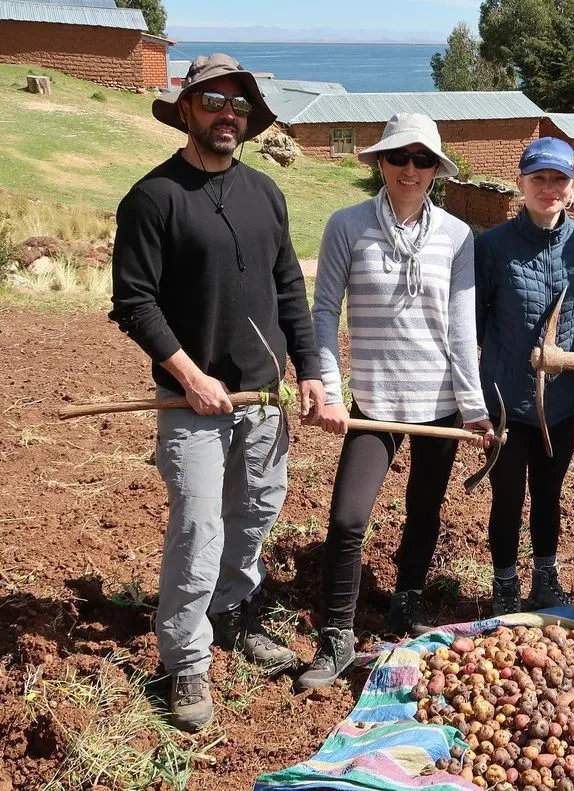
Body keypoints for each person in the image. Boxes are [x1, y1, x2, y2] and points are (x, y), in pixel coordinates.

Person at [109, 54, 326, 731]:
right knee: (199, 523)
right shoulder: (153, 198)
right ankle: (185, 658)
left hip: (263, 401)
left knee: (257, 512)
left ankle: (233, 611)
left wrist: (311, 370)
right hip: (194, 404)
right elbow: (134, 302)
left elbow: (290, 288)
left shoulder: (266, 194)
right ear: (185, 111)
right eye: (212, 102)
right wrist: (190, 374)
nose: (227, 114)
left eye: (237, 104)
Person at [299, 114, 493, 689]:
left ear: (437, 169)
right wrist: (330, 390)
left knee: (424, 510)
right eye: (399, 158)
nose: (411, 170)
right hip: (373, 401)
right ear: (380, 161)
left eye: (423, 160)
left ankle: (405, 603)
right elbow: (323, 312)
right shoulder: (347, 226)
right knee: (348, 518)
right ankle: (336, 635)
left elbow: (461, 329)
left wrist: (474, 405)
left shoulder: (458, 237)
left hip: (439, 404)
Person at [475, 138, 574, 616]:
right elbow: (473, 323)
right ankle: (504, 583)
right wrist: (476, 391)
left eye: (559, 179)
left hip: (563, 400)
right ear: (521, 183)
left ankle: (546, 578)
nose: (549, 188)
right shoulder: (492, 245)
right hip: (504, 400)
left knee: (549, 493)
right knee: (507, 497)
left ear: (572, 186)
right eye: (538, 178)